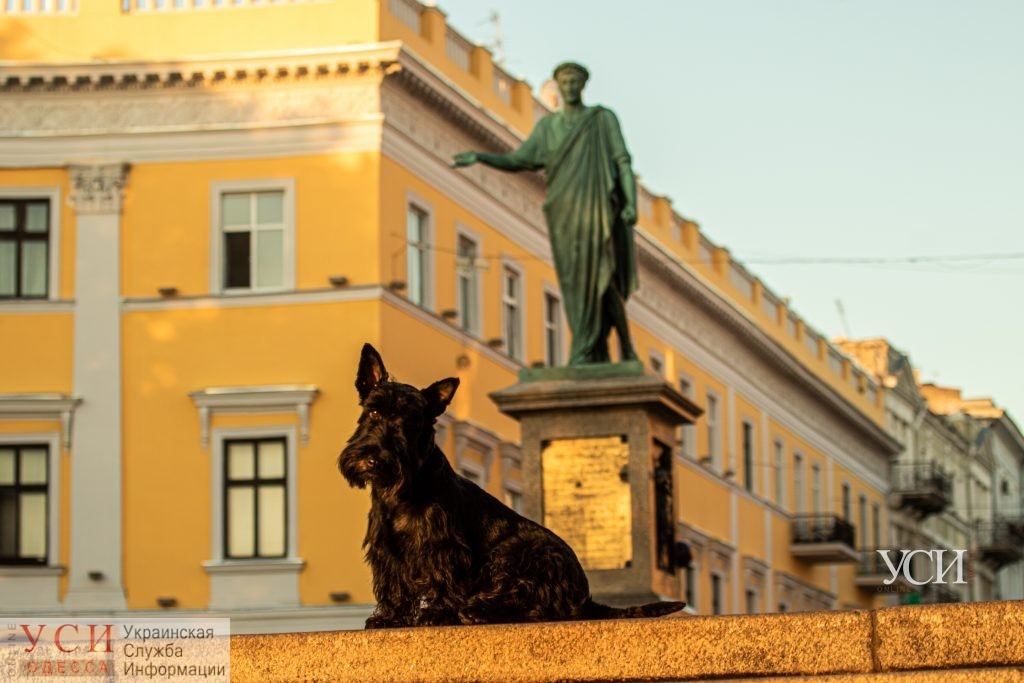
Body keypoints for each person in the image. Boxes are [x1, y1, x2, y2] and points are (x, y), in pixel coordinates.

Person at [453, 61, 639, 366]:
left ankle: (623, 347)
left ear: (583, 85)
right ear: (558, 86)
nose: (570, 87)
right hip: (563, 214)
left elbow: (623, 162)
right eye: (564, 82)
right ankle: (587, 348)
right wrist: (480, 156)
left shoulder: (601, 119)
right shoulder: (548, 128)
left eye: (575, 81)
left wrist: (631, 202)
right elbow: (518, 160)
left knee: (604, 277)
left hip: (597, 209)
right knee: (574, 284)